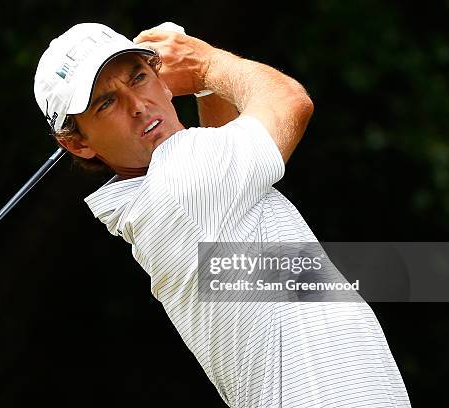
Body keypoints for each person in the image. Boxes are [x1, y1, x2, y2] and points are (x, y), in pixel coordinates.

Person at [33, 22, 411, 407]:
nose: (137, 104)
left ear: (163, 81)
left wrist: (204, 85)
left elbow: (225, 160)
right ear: (77, 143)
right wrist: (205, 64)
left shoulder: (172, 194)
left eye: (139, 77)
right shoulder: (179, 181)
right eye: (106, 102)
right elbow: (291, 102)